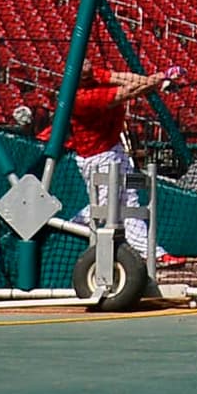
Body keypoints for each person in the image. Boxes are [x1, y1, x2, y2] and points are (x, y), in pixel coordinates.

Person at [62, 58, 179, 270]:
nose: (91, 70)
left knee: (130, 204)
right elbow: (127, 92)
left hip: (115, 149)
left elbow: (123, 78)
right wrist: (159, 79)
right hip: (97, 157)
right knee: (107, 209)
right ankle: (66, 229)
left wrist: (156, 83)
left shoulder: (93, 74)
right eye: (85, 71)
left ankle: (153, 254)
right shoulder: (80, 98)